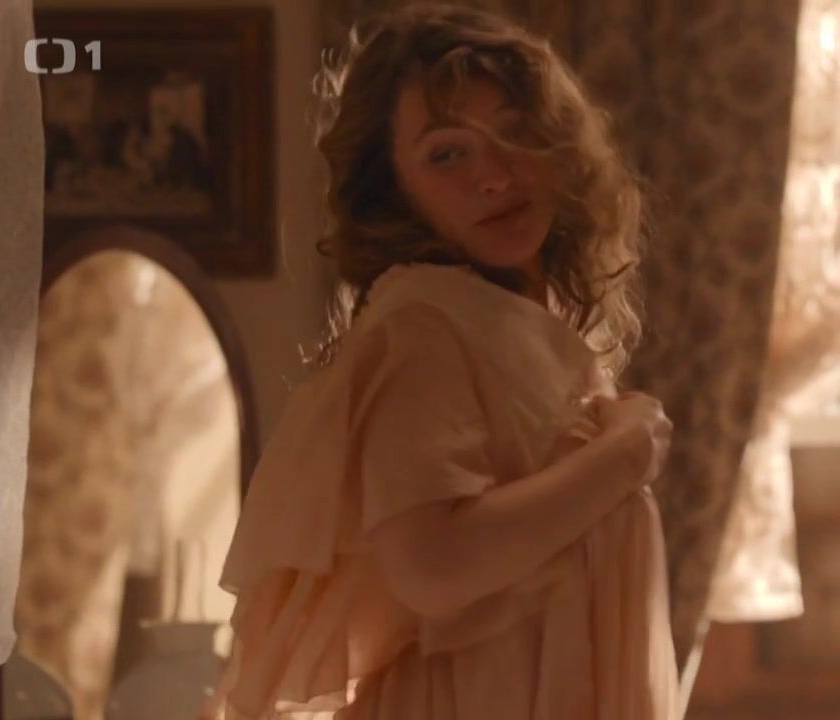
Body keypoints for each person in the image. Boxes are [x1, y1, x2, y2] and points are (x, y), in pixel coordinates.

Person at [207, 4, 679, 718]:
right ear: (395, 188)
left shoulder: (508, 325)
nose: (495, 176)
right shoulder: (426, 325)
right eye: (448, 154)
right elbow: (433, 565)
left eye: (516, 133)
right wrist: (625, 454)